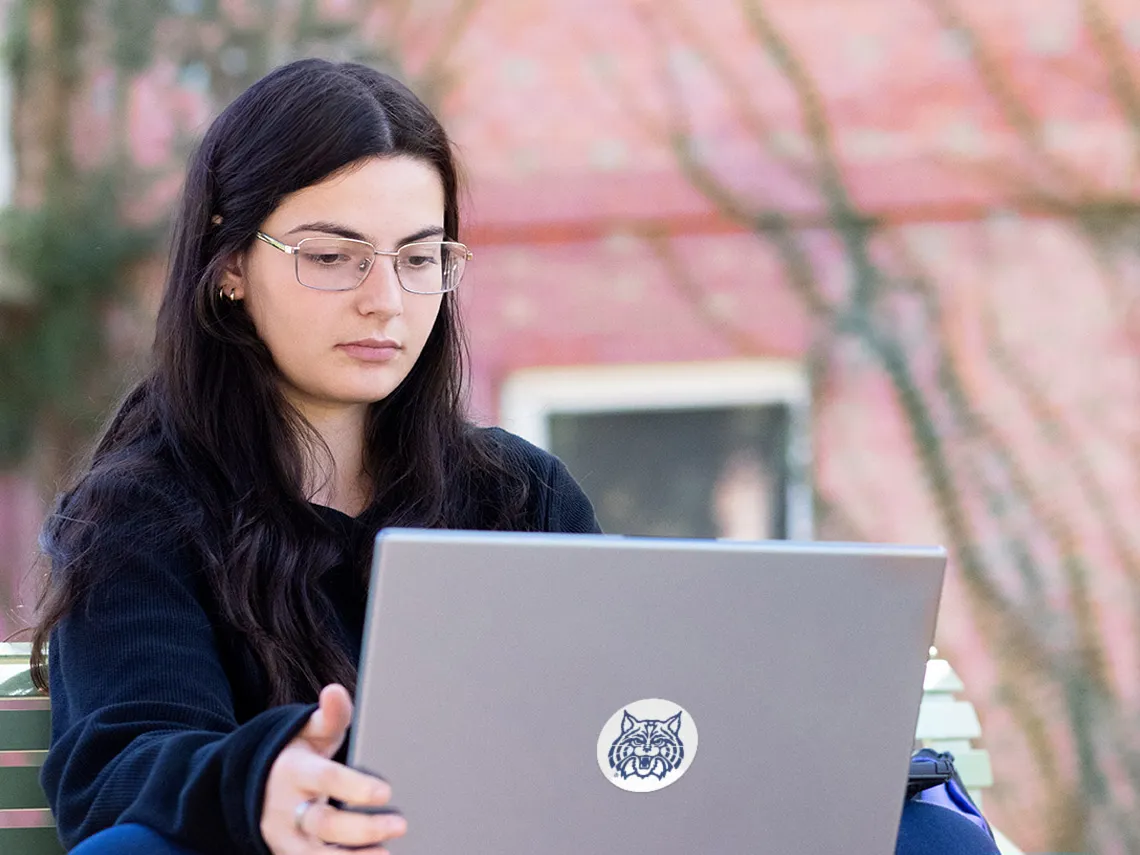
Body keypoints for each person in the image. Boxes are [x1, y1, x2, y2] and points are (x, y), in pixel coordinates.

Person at [29, 59, 997, 855]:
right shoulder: (139, 516)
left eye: (419, 257)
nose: (386, 300)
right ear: (230, 265)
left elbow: (632, 708)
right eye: (334, 257)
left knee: (928, 837)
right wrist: (261, 783)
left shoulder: (512, 491)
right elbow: (120, 765)